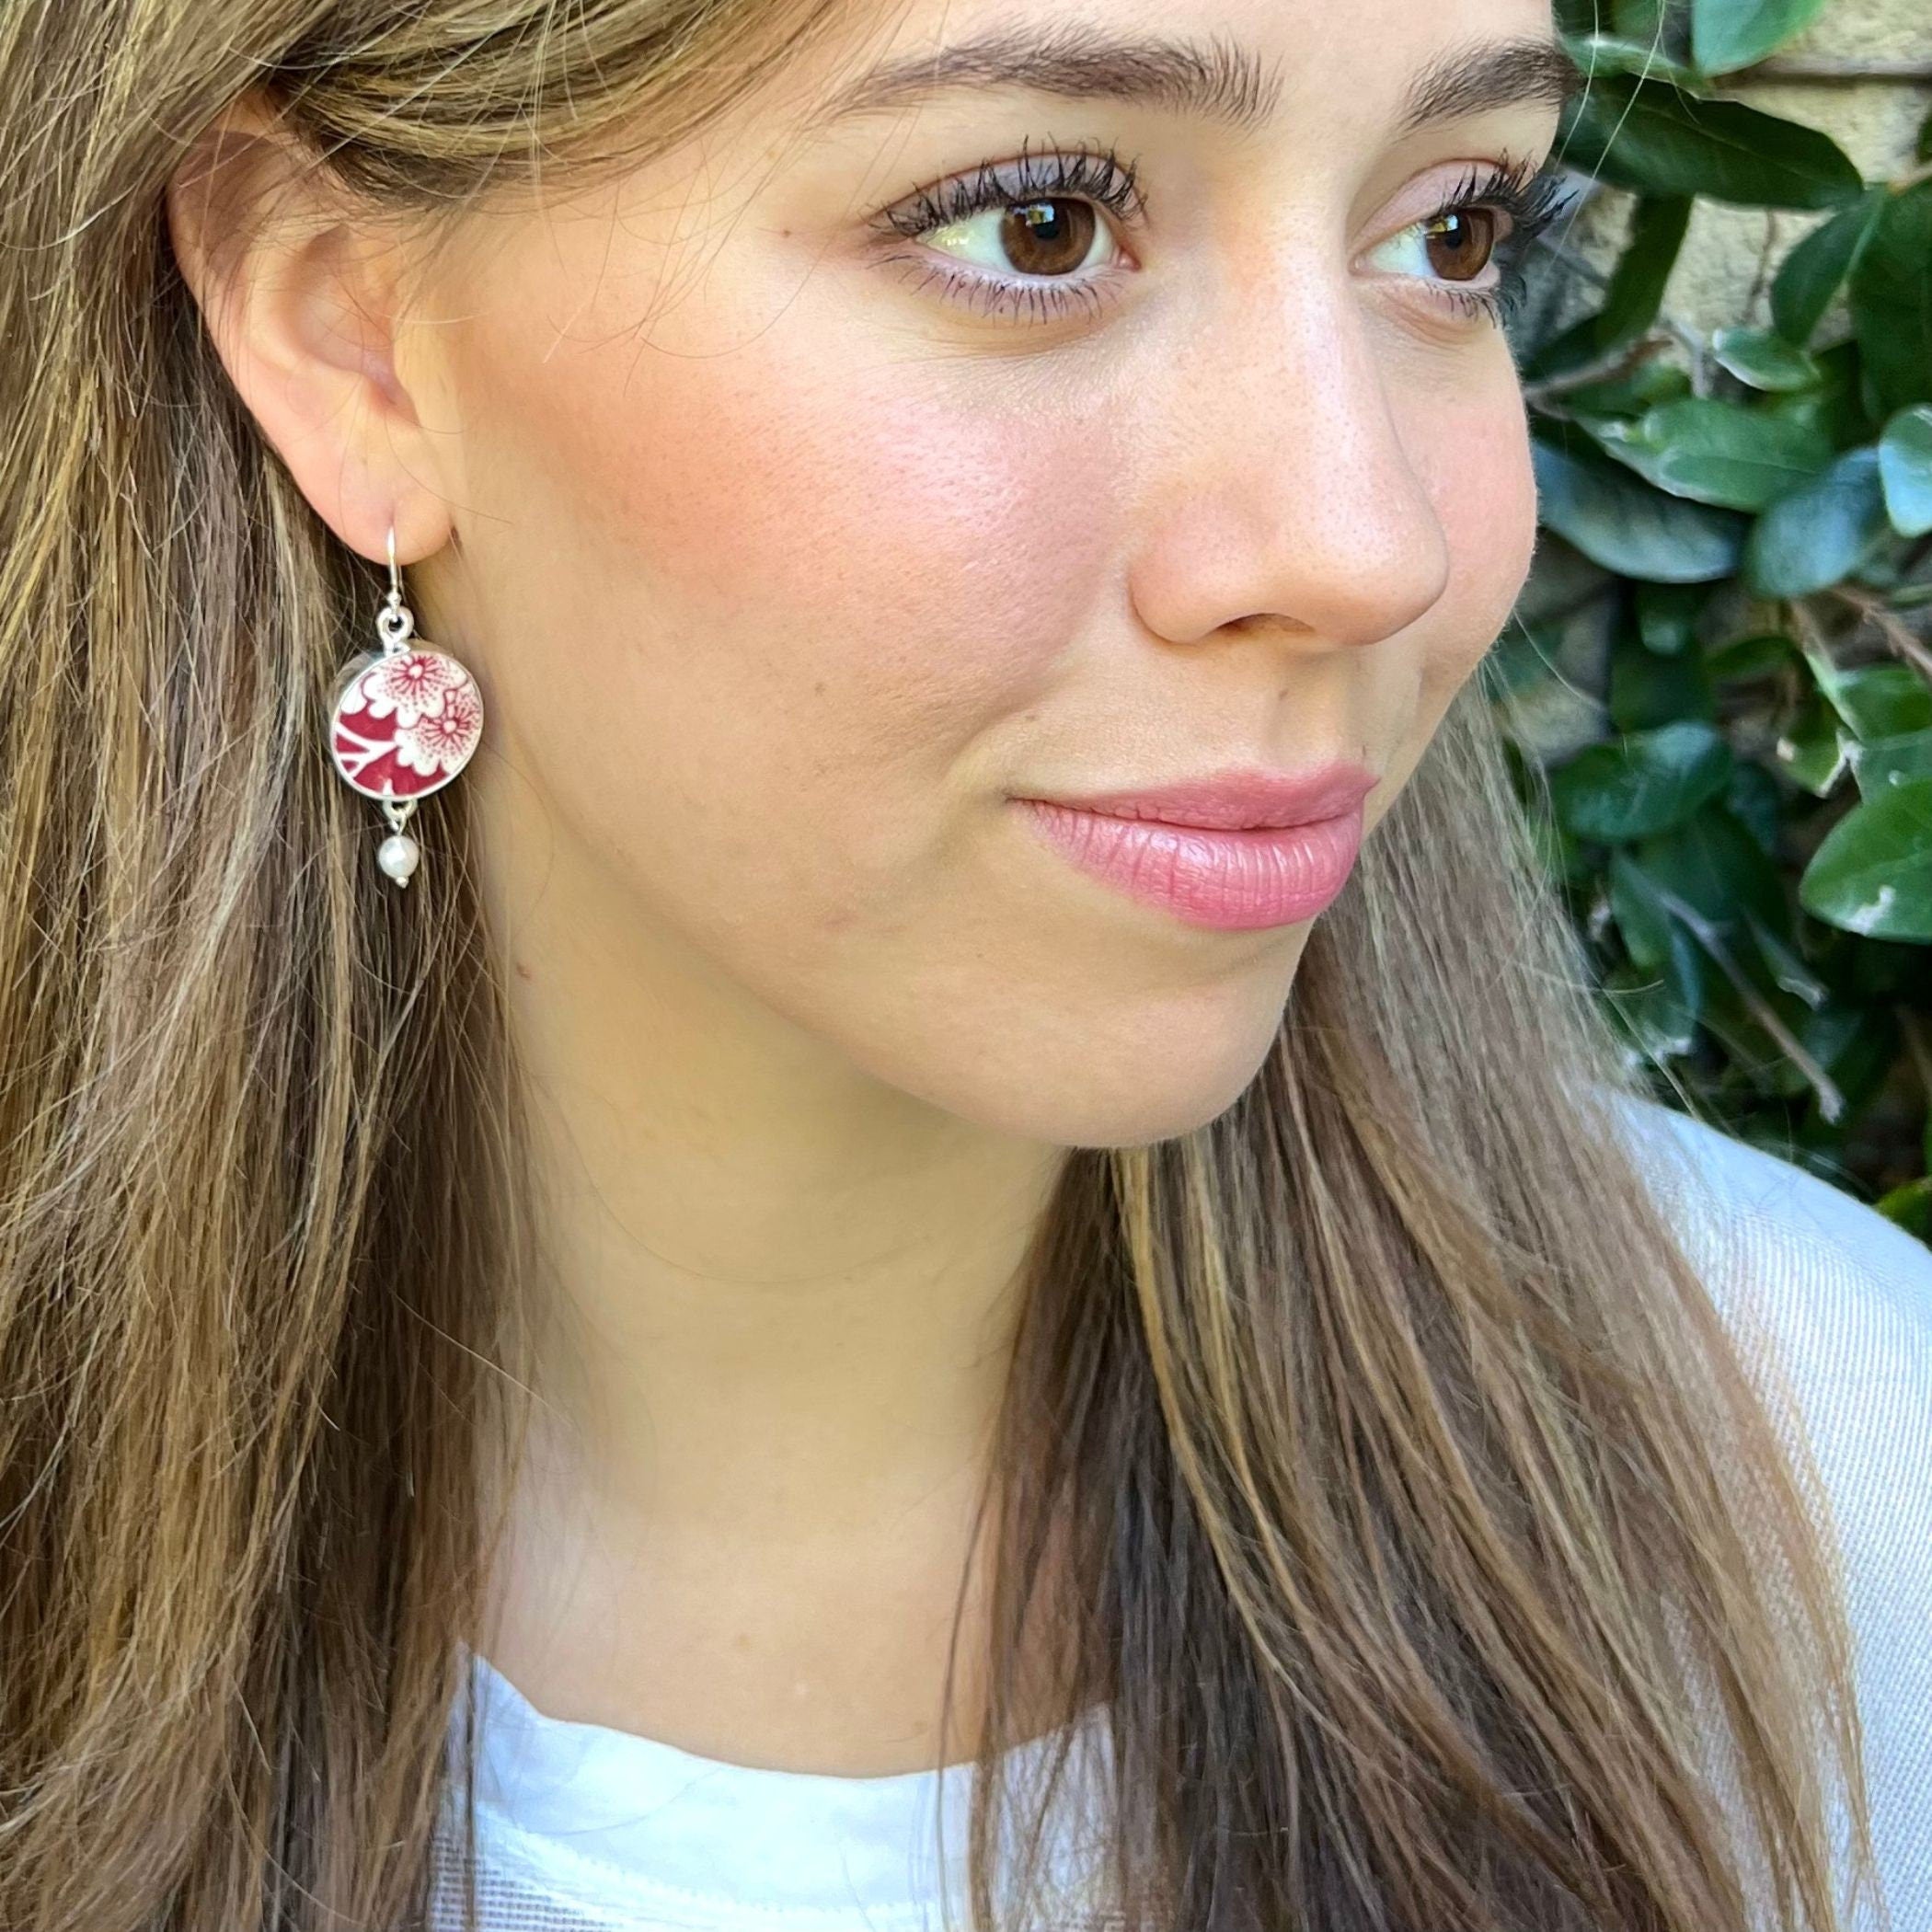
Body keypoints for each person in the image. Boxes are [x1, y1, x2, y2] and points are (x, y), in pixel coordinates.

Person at [0, 0, 1925, 1927]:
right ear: (351, 336)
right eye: (1042, 225)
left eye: (1455, 232)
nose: (1371, 547)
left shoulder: (1831, 1488)